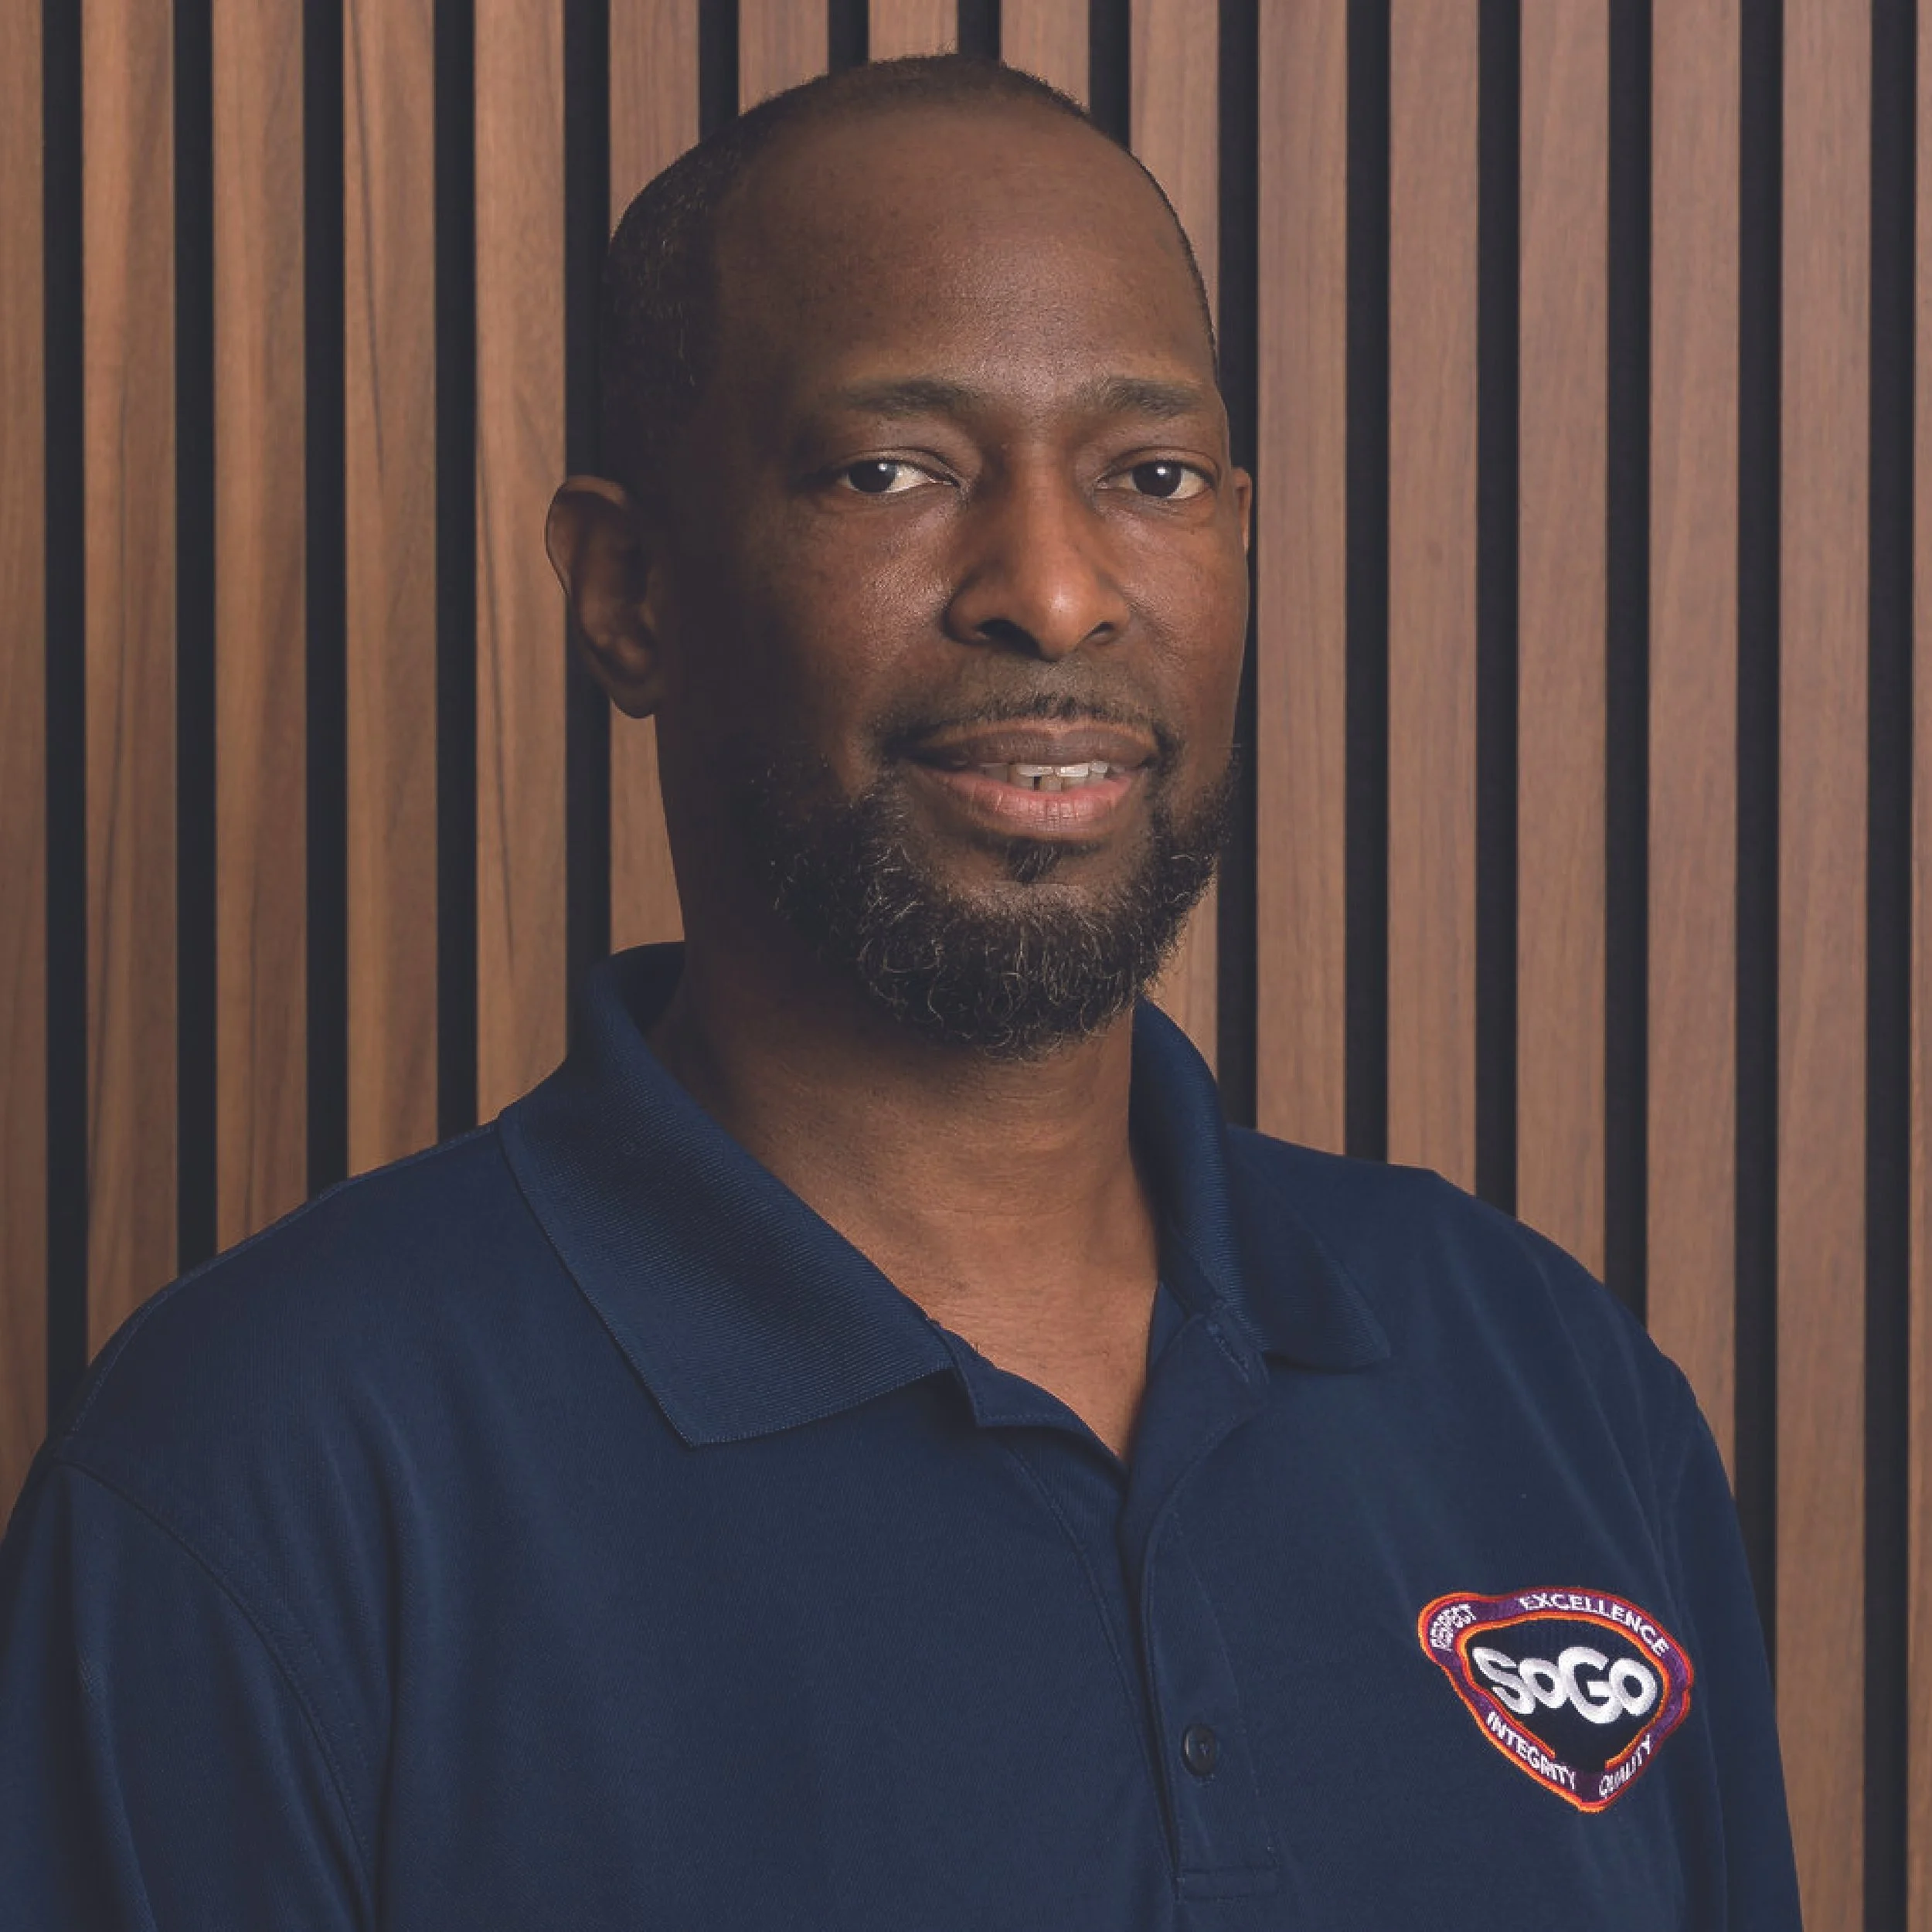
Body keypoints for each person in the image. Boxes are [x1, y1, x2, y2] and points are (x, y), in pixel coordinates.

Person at [0, 54, 1799, 1929]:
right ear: (626, 590)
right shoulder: (263, 1477)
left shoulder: (1545, 1383)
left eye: (1150, 476)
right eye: (890, 470)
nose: (1053, 586)